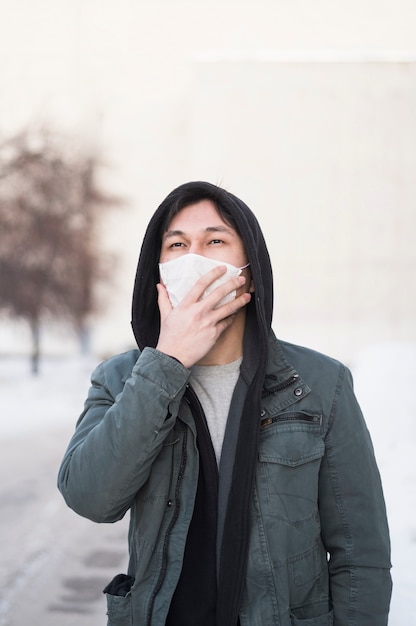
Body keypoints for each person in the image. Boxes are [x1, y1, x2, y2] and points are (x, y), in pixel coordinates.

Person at [58, 181, 392, 626]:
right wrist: (167, 362)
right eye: (177, 244)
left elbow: (360, 555)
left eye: (215, 240)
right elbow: (90, 497)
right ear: (158, 274)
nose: (194, 257)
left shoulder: (320, 384)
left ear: (249, 271)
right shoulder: (121, 379)